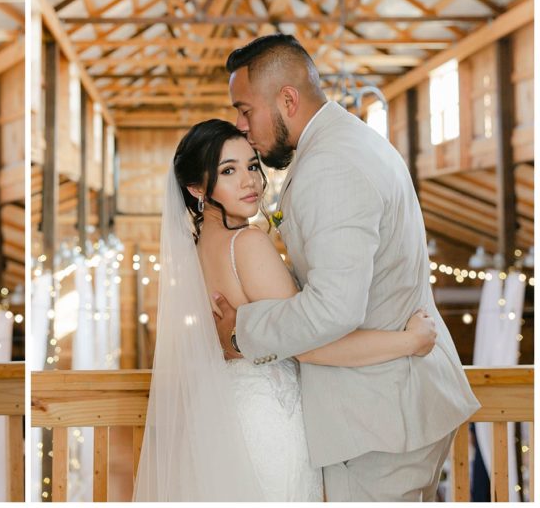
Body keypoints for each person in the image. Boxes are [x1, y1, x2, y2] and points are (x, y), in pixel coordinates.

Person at [217, 34, 479, 501]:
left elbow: (336, 308)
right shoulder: (349, 142)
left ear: (288, 99)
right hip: (392, 406)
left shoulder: (331, 165)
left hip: (378, 419)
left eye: (244, 109)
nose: (241, 126)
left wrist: (244, 331)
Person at [134, 120, 439, 501]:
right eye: (228, 170)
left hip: (223, 416)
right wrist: (410, 341)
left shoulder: (196, 253)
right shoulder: (246, 243)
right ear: (196, 188)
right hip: (266, 421)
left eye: (251, 165)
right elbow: (313, 346)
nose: (249, 181)